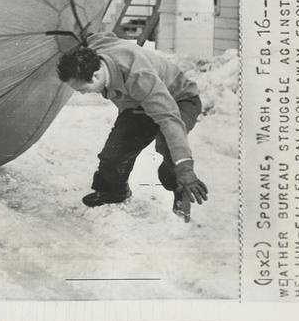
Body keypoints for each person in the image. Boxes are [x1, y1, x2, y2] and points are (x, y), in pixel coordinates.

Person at [56, 31, 208, 221]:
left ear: (95, 76)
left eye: (83, 89)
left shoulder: (139, 76)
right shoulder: (93, 51)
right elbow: (98, 36)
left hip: (179, 99)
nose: (83, 94)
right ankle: (113, 193)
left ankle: (181, 192)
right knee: (113, 155)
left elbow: (170, 120)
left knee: (166, 145)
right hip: (137, 105)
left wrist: (185, 169)